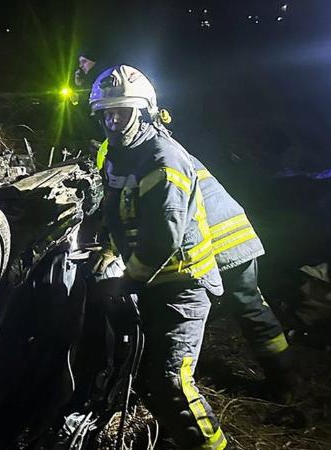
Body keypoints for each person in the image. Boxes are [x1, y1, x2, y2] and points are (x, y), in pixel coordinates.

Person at [90, 64, 227, 450]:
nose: (114, 120)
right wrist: (110, 248)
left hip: (183, 285)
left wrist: (127, 280)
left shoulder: (164, 160)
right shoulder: (118, 154)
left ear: (146, 111)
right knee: (146, 375)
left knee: (171, 382)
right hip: (155, 282)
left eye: (123, 112)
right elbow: (117, 208)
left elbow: (162, 237)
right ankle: (176, 440)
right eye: (107, 113)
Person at [191, 156, 296, 400]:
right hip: (236, 232)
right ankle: (286, 379)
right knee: (252, 308)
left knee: (237, 307)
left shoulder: (154, 157)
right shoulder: (172, 151)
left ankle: (285, 383)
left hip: (219, 241)